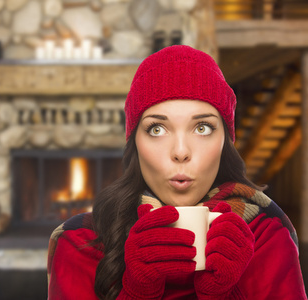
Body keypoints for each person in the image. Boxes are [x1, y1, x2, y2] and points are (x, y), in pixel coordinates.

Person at [47, 45, 307, 299]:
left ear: (224, 143)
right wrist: (137, 293)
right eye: (157, 129)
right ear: (134, 143)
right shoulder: (81, 241)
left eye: (203, 128)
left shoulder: (266, 233)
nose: (181, 152)